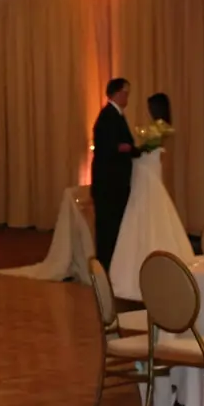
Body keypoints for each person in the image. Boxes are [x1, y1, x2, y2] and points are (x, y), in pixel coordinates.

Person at [109, 90, 194, 301]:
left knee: (149, 210)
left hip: (147, 172)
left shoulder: (160, 127)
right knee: (146, 210)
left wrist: (133, 149)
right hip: (146, 171)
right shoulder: (159, 126)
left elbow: (148, 148)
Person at [91, 77, 134, 268]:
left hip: (114, 183)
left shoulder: (116, 115)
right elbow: (106, 146)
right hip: (109, 184)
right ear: (117, 93)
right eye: (126, 92)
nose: (128, 97)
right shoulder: (107, 116)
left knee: (112, 226)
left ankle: (111, 265)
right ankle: (105, 268)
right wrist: (122, 147)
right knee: (107, 227)